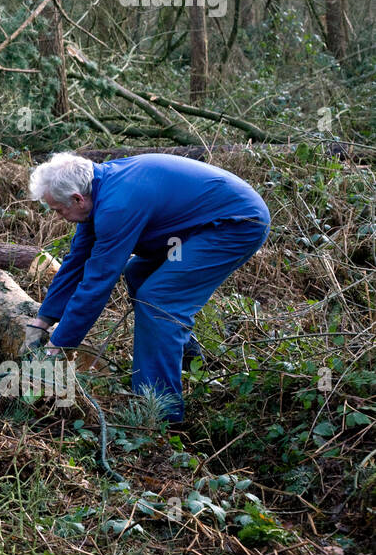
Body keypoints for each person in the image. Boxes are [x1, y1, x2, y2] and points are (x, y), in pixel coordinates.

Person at [29, 152, 270, 423]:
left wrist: (60, 343)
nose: (61, 217)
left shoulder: (116, 205)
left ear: (77, 198)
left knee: (159, 299)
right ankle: (190, 363)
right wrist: (43, 319)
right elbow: (77, 261)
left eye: (59, 210)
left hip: (235, 224)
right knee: (139, 273)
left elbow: (98, 282)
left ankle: (158, 414)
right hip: (195, 227)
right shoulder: (98, 191)